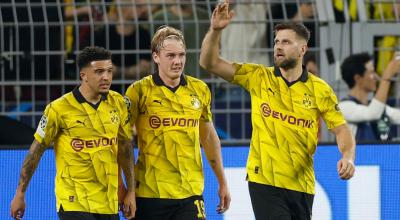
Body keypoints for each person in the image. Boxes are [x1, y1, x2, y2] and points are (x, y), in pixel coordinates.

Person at [200, 1, 356, 219]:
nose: (278, 46)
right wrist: (215, 30)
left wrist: (348, 157)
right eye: (276, 42)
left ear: (303, 49)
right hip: (264, 180)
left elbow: (341, 130)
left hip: (302, 184)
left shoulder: (320, 90)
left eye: (285, 42)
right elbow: (210, 63)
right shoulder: (258, 77)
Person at [10, 46, 136, 220]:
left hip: (108, 202)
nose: (106, 77)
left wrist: (130, 191)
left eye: (109, 71)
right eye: (99, 72)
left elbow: (124, 148)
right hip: (73, 201)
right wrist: (20, 194)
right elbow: (36, 151)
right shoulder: (58, 109)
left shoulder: (118, 103)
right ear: (83, 75)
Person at [125, 26, 231, 220]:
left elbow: (208, 137)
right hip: (150, 194)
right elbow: (122, 142)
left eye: (182, 55)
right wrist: (128, 190)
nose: (178, 61)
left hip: (190, 193)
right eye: (171, 55)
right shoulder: (138, 91)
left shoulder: (199, 89)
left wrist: (222, 182)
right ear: (156, 57)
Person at [339, 52, 400, 142]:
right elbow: (373, 113)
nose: (375, 76)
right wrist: (387, 77)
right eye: (371, 72)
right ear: (358, 78)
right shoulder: (343, 107)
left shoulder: (375, 106)